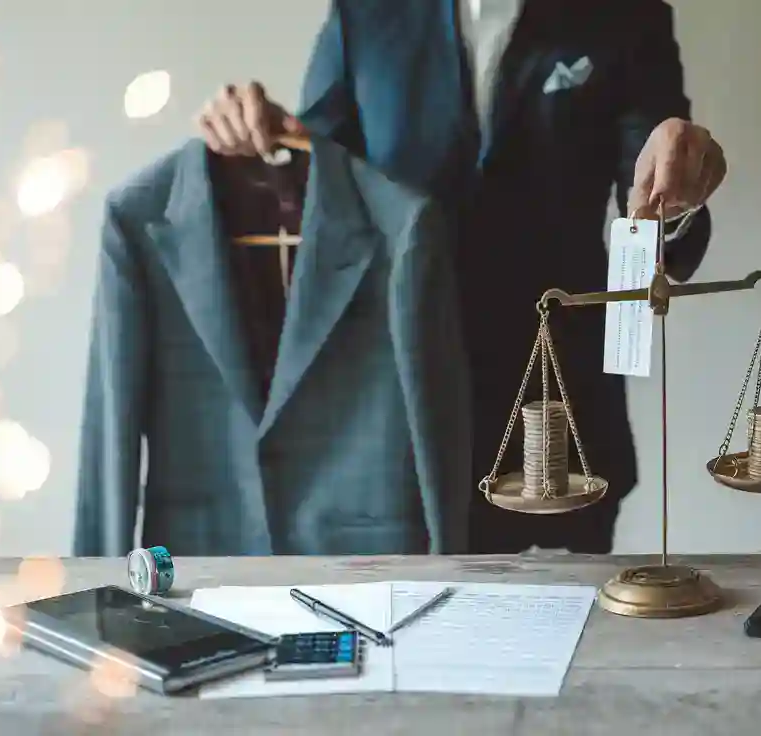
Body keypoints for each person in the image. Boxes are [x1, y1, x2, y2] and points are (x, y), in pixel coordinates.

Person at [198, 0, 726, 554]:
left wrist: (677, 200)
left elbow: (654, 200)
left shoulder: (627, 16)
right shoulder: (363, 15)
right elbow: (322, 200)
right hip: (397, 402)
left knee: (575, 605)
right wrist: (262, 147)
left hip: (557, 403)